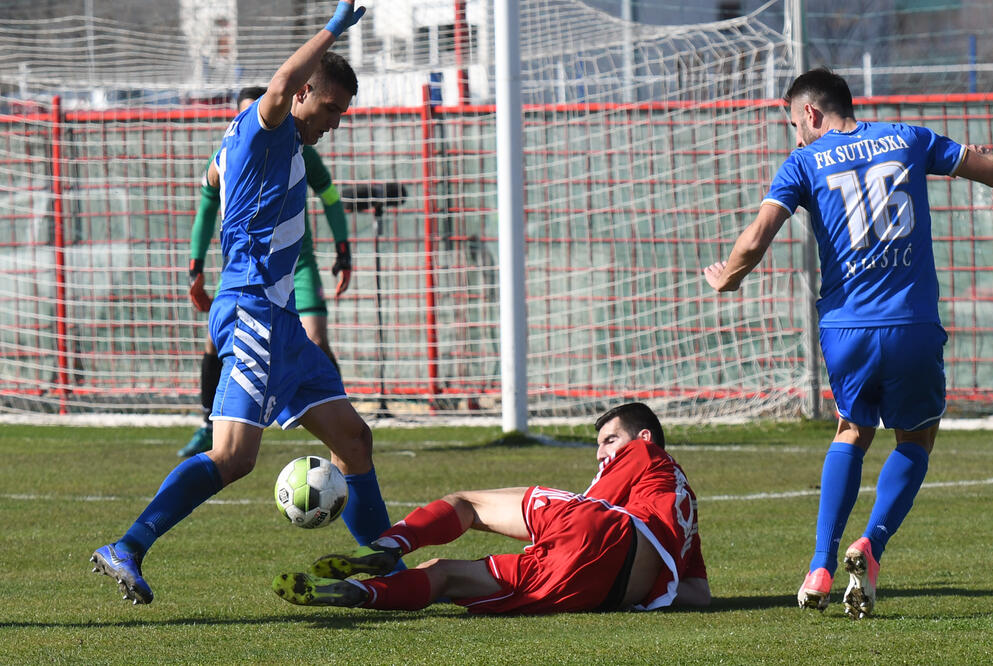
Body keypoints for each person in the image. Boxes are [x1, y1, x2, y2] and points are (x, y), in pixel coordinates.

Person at [90, 0, 384, 606]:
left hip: (281, 320)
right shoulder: (264, 126)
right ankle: (128, 546)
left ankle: (389, 566)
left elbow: (221, 179)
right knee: (232, 456)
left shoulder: (279, 142)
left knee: (353, 440)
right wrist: (332, 28)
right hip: (251, 307)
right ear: (303, 93)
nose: (335, 122)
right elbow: (277, 87)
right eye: (331, 108)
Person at [702, 67, 993, 619]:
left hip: (845, 329)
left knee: (851, 430)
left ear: (811, 113)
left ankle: (820, 564)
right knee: (917, 436)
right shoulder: (909, 138)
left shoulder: (803, 163)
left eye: (795, 124)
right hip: (911, 324)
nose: (795, 135)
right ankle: (872, 543)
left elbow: (757, 237)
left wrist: (728, 279)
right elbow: (991, 171)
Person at [272, 402, 710, 614]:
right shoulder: (686, 515)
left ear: (643, 439)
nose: (601, 454)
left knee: (467, 503)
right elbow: (696, 594)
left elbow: (593, 514)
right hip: (598, 592)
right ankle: (360, 593)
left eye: (609, 441)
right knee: (443, 576)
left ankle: (388, 546)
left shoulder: (646, 455)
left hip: (602, 534)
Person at [179, 85, 354, 458]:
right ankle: (209, 424)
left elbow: (330, 196)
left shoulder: (299, 148)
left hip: (297, 266)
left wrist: (343, 247)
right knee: (214, 342)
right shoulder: (228, 155)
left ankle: (338, 423)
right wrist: (196, 264)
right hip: (247, 272)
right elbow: (206, 208)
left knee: (316, 339)